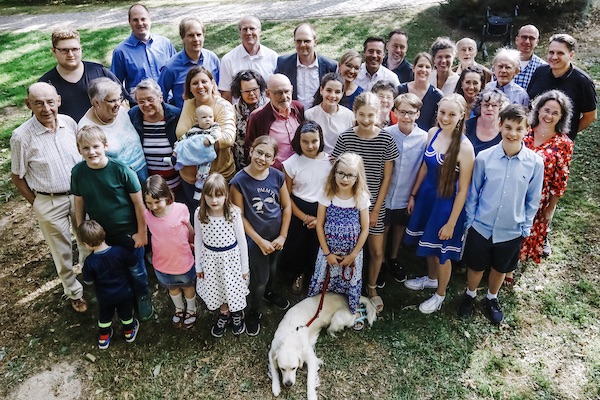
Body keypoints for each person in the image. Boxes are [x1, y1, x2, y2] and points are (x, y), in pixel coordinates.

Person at [459, 105, 544, 324]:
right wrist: (470, 221)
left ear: (527, 130)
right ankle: (470, 294)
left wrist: (525, 227)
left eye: (518, 128)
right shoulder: (485, 158)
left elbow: (532, 199)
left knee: (500, 267)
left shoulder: (535, 163)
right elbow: (474, 192)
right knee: (476, 266)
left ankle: (492, 297)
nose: (512, 133)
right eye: (508, 127)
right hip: (482, 225)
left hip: (511, 228)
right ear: (500, 126)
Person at [10, 82, 88, 313]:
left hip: (77, 195)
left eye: (50, 102)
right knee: (61, 250)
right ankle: (74, 291)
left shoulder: (69, 123)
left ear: (59, 101)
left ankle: (90, 276)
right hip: (48, 199)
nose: (46, 108)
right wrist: (37, 203)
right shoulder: (21, 137)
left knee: (85, 239)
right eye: (38, 103)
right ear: (29, 105)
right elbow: (17, 176)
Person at [72, 125, 154, 321]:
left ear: (105, 145)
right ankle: (124, 296)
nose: (91, 152)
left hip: (128, 232)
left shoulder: (121, 170)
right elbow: (79, 202)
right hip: (101, 235)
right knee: (113, 268)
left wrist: (142, 233)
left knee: (136, 268)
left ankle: (142, 294)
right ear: (79, 150)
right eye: (85, 148)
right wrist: (82, 231)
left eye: (95, 146)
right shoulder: (78, 172)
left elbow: (138, 203)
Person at [403, 93, 475, 314]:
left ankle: (440, 295)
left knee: (442, 252)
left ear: (462, 116)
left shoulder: (465, 148)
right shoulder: (433, 133)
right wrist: (413, 194)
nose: (445, 118)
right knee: (429, 244)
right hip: (427, 198)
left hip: (445, 205)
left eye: (452, 114)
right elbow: (425, 167)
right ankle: (432, 278)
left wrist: (452, 223)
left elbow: (463, 189)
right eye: (442, 112)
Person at [331, 92, 399, 313]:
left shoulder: (385, 139)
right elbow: (337, 171)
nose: (367, 119)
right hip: (348, 203)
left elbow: (387, 177)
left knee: (376, 250)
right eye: (362, 114)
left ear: (379, 114)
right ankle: (347, 285)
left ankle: (371, 287)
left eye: (371, 115)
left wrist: (376, 208)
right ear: (355, 113)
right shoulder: (346, 137)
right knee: (348, 246)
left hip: (373, 203)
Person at [230, 136, 291, 336]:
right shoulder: (239, 181)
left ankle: (269, 294)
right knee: (260, 279)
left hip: (276, 238)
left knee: (273, 270)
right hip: (255, 240)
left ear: (273, 160)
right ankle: (253, 312)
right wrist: (258, 240)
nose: (262, 158)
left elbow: (287, 206)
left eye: (268, 156)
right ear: (251, 151)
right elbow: (239, 216)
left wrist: (282, 236)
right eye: (259, 152)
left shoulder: (277, 176)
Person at [307, 153, 370, 330]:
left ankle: (352, 309)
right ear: (334, 172)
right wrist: (327, 253)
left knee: (351, 281)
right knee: (324, 278)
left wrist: (354, 254)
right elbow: (319, 225)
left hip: (352, 253)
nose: (345, 178)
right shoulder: (328, 194)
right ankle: (318, 308)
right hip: (329, 251)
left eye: (350, 175)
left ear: (357, 177)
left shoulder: (361, 197)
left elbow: (365, 228)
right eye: (341, 173)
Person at [519, 90, 574, 264]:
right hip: (514, 189)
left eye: (555, 113)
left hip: (538, 197)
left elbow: (560, 179)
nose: (549, 116)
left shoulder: (564, 143)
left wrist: (550, 208)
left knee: (527, 232)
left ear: (562, 117)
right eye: (546, 110)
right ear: (539, 110)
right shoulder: (524, 131)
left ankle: (511, 267)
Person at [195, 173, 250, 337]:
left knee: (233, 288)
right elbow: (198, 238)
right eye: (209, 195)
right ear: (203, 195)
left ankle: (237, 314)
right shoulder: (200, 213)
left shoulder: (233, 213)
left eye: (219, 195)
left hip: (231, 260)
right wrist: (198, 265)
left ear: (226, 195)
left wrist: (244, 267)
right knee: (217, 288)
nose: (214, 200)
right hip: (210, 260)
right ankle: (224, 312)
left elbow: (242, 241)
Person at [280, 121, 332, 294]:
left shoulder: (330, 162)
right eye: (305, 141)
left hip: (322, 210)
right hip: (298, 210)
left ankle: (317, 276)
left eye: (314, 141)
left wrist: (319, 219)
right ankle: (299, 274)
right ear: (298, 141)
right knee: (298, 246)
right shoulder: (291, 163)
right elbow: (286, 196)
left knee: (318, 246)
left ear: (320, 140)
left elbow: (333, 192)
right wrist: (303, 217)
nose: (310, 146)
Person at [175, 66, 236, 212]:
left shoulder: (223, 106)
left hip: (218, 178)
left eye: (204, 81)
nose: (200, 86)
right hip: (189, 178)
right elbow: (181, 132)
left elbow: (227, 139)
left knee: (220, 220)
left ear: (212, 83)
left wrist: (190, 145)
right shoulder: (189, 104)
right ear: (189, 87)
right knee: (199, 218)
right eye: (195, 83)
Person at [384, 93, 428, 283]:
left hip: (407, 191)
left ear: (418, 114)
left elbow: (423, 168)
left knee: (399, 226)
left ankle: (393, 257)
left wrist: (413, 195)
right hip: (386, 190)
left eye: (411, 113)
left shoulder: (424, 138)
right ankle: (381, 259)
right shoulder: (387, 134)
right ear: (395, 112)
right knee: (383, 226)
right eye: (402, 112)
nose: (406, 117)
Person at [143, 175, 197, 329]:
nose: (153, 206)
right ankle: (179, 309)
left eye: (157, 202)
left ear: (166, 196)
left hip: (183, 261)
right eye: (149, 203)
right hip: (162, 263)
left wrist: (192, 243)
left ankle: (192, 309)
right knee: (172, 287)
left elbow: (189, 229)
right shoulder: (147, 215)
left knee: (187, 286)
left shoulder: (180, 209)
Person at [39, 28, 123, 122]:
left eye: (75, 49)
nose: (70, 54)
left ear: (81, 49)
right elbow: (40, 117)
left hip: (103, 132)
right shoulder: (45, 84)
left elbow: (122, 104)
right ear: (54, 51)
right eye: (64, 50)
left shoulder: (99, 72)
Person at [79, 220, 140, 349]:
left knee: (105, 315)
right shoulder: (119, 251)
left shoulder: (90, 262)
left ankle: (103, 338)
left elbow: (88, 281)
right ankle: (129, 332)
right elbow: (133, 262)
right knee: (126, 313)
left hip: (105, 296)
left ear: (86, 244)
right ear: (104, 234)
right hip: (124, 291)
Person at [527, 33, 597, 141]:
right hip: (532, 138)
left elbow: (590, 116)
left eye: (560, 53)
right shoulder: (540, 71)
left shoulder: (582, 81)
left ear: (571, 55)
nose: (554, 57)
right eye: (551, 52)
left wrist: (568, 133)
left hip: (559, 144)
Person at [78, 77, 148, 184]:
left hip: (143, 174)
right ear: (96, 103)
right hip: (120, 184)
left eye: (119, 98)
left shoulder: (121, 112)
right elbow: (91, 166)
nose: (118, 104)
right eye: (112, 101)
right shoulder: (87, 128)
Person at [110, 4, 176, 101]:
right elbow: (115, 85)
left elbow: (177, 72)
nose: (140, 23)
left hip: (168, 103)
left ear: (149, 20)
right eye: (135, 20)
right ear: (129, 22)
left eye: (143, 19)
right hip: (140, 107)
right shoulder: (121, 51)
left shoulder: (165, 44)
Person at [129, 78, 182, 194]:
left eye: (150, 99)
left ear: (160, 97)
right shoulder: (133, 116)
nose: (146, 105)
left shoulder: (176, 115)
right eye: (141, 101)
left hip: (177, 185)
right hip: (150, 189)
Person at [245, 74, 305, 169]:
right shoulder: (258, 117)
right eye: (278, 93)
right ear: (268, 94)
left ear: (292, 89)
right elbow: (250, 149)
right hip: (273, 174)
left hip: (299, 171)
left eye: (287, 91)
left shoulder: (299, 108)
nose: (284, 96)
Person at [159, 17, 220, 109]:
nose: (196, 39)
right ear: (183, 38)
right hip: (185, 119)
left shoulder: (212, 58)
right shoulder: (171, 67)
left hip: (213, 116)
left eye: (199, 35)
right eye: (191, 35)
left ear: (203, 36)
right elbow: (160, 97)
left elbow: (221, 89)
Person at [274, 23, 337, 109]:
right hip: (292, 115)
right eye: (299, 41)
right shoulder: (283, 64)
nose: (302, 45)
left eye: (307, 41)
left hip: (320, 115)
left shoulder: (330, 66)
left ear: (315, 42)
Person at [218, 16, 278, 102]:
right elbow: (226, 95)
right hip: (239, 114)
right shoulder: (228, 60)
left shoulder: (273, 57)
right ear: (240, 32)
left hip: (267, 112)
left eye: (252, 28)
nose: (248, 32)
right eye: (244, 29)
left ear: (259, 30)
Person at [170, 104, 219, 199]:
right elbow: (184, 137)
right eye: (204, 117)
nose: (208, 119)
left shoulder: (213, 128)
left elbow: (217, 134)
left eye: (210, 117)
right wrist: (178, 143)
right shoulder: (194, 129)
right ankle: (174, 159)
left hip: (205, 156)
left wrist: (210, 139)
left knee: (203, 173)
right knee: (181, 145)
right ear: (197, 120)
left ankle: (199, 188)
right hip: (192, 153)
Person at [305, 73, 354, 154]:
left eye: (337, 92)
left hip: (341, 162)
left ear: (342, 94)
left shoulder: (349, 116)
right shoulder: (309, 115)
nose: (332, 95)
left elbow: (350, 144)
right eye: (329, 90)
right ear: (321, 90)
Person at [231, 69, 267, 169]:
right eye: (247, 91)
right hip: (240, 164)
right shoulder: (232, 111)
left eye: (254, 89)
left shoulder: (269, 107)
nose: (251, 94)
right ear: (240, 92)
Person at [398, 52, 443, 131]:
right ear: (413, 68)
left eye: (427, 67)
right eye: (420, 66)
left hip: (424, 140)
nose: (423, 70)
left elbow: (436, 124)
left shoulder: (437, 95)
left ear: (432, 70)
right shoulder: (400, 90)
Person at [465, 89, 510, 155]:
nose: (490, 109)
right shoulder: (467, 126)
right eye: (486, 105)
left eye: (494, 105)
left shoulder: (505, 129)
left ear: (501, 108)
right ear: (480, 106)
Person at [513, 25, 547, 90]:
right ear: (516, 40)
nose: (527, 41)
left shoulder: (542, 67)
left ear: (537, 42)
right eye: (524, 37)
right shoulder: (503, 63)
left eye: (531, 38)